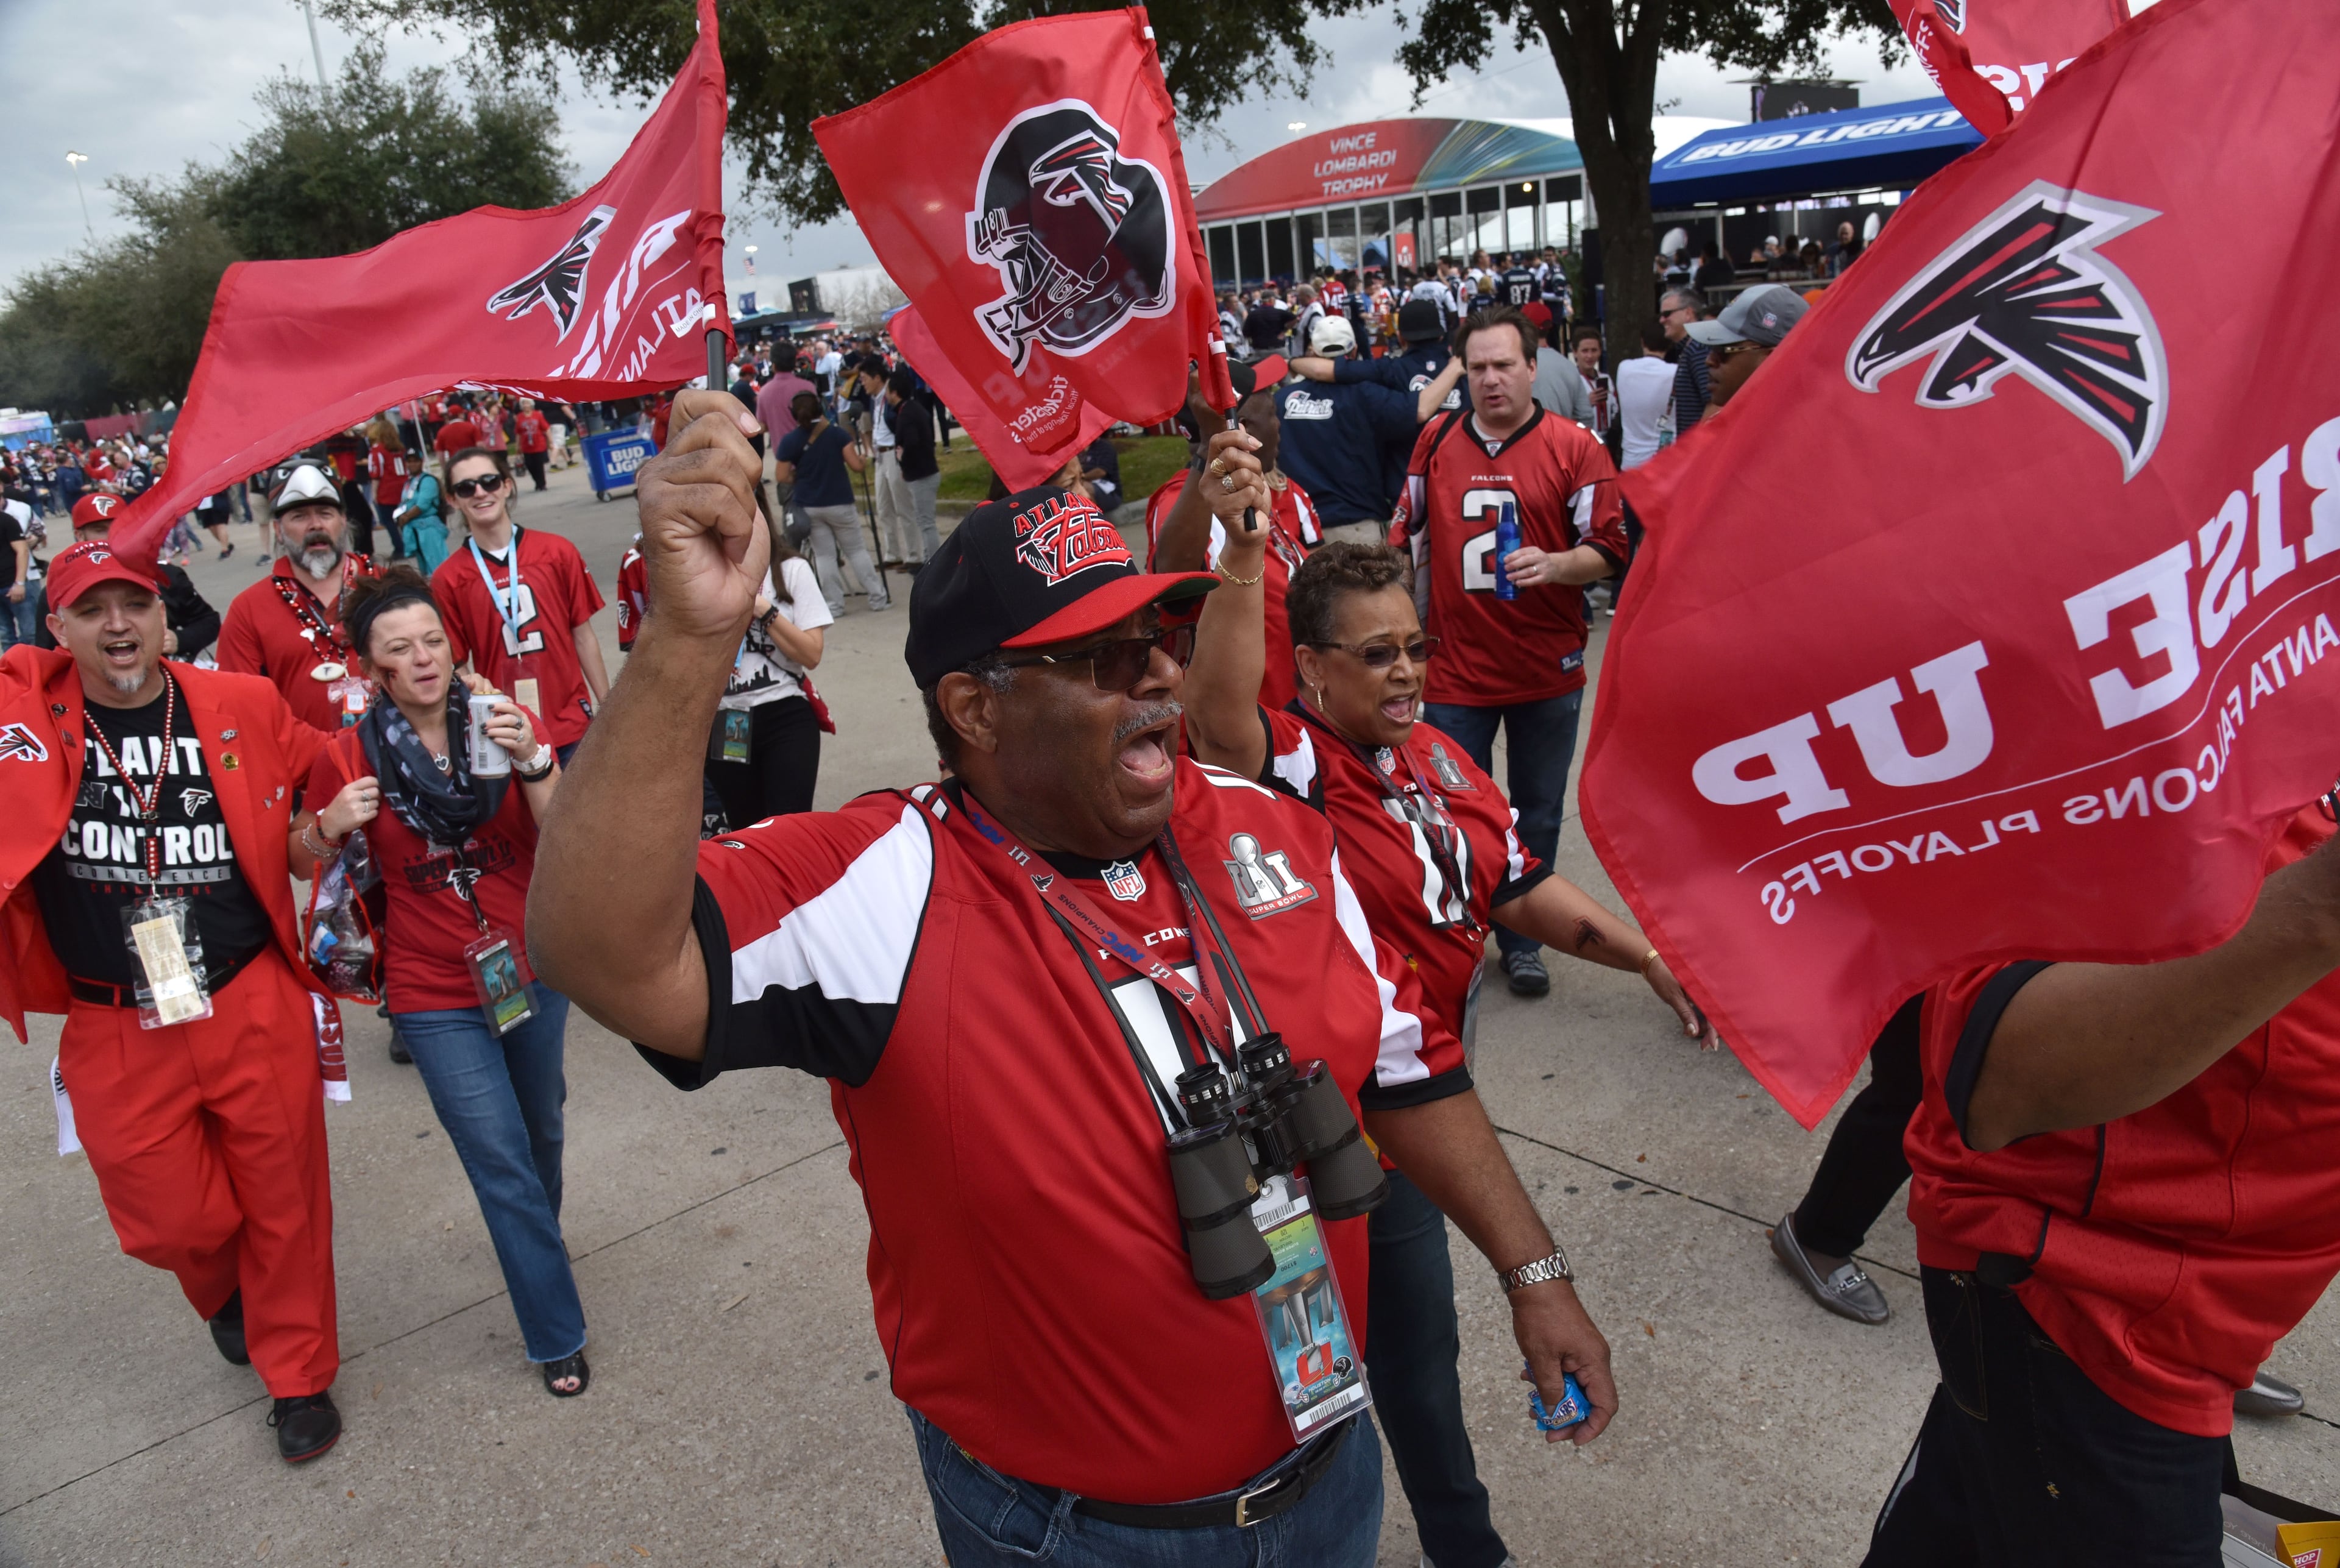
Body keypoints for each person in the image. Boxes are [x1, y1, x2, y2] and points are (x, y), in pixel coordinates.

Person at [527, 389, 1617, 1566]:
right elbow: (605, 953)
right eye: (1104, 657)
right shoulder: (886, 880)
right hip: (1076, 1536)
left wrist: (1535, 1269)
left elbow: (1411, 1066)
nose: (1156, 676)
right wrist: (688, 639)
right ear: (974, 708)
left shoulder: (1269, 829)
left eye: (1162, 637)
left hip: (1331, 1480)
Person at [1183, 533, 1710, 1568]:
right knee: (1302, 1380)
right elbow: (1218, 713)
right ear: (1315, 668)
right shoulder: (1286, 767)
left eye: (1415, 646)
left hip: (1412, 1137)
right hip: (1291, 1161)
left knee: (1422, 1369)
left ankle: (1470, 1549)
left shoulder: (1436, 756)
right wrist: (1244, 550)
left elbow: (1513, 882)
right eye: (1376, 654)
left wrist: (1644, 957)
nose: (1409, 671)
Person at [1862, 795, 2340, 1564]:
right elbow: (1995, 1079)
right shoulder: (2176, 712)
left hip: (2209, 1306)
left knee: (1963, 1520)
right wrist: (2322, 904)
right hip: (2093, 1311)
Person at [4, 540, 346, 1464]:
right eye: (92, 609)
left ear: (164, 616)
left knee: (286, 1197)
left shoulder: (240, 702)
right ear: (56, 626)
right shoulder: (22, 716)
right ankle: (225, 1289)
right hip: (115, 1017)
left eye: (135, 605)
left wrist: (334, 821)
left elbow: (322, 781)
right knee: (168, 1218)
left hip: (248, 993)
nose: (118, 624)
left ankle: (299, 1376)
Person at [288, 566, 592, 1399]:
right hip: (430, 991)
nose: (423, 658)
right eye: (399, 649)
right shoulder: (347, 752)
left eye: (432, 640)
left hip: (528, 962)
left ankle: (538, 1244)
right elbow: (299, 856)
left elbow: (562, 830)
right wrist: (325, 826)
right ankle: (555, 1333)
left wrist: (535, 760)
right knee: (498, 1160)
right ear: (373, 669)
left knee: (542, 1134)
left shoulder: (501, 719)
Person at [1389, 305, 1629, 1000]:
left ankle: (1527, 939)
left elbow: (1611, 550)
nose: (1491, 380)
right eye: (1478, 367)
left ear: (1533, 366)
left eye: (1505, 365)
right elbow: (1403, 538)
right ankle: (1459, 934)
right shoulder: (1436, 439)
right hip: (1456, 670)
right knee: (1447, 808)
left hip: (1545, 669)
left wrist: (1557, 565)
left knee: (1537, 810)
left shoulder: (1576, 446)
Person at [1149, 367, 1322, 711]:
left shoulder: (1256, 487)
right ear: (1240, 425)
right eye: (1271, 414)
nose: (1279, 426)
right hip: (1243, 728)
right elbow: (1171, 586)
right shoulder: (1189, 501)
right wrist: (1210, 452)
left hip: (1294, 710)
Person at [428, 449, 609, 765]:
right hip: (504, 732)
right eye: (466, 487)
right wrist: (479, 721)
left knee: (588, 814)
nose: (481, 492)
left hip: (572, 724)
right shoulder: (449, 579)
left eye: (489, 481)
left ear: (507, 486)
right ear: (453, 500)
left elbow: (584, 636)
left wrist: (608, 706)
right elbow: (459, 665)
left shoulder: (557, 552)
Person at [218, 464, 377, 733]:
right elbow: (239, 710)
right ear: (279, 530)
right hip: (305, 770)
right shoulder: (248, 610)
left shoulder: (387, 586)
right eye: (299, 516)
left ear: (343, 521)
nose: (315, 525)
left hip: (399, 764)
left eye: (326, 513)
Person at [703, 533, 832, 829]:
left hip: (784, 714)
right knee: (746, 831)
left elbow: (811, 654)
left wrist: (763, 610)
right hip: (730, 720)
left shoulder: (790, 570)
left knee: (789, 828)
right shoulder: (702, 572)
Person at [1274, 316, 1435, 547]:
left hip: (1298, 529)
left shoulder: (1281, 400)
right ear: (1355, 349)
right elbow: (1418, 412)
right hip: (1357, 528)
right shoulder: (1370, 395)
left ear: (1312, 351)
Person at [34, 494, 220, 662]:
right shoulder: (59, 590)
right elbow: (47, 655)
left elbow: (209, 621)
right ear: (80, 535)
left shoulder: (165, 575)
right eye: (100, 530)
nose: (110, 536)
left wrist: (181, 640)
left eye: (119, 527)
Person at [775, 391, 883, 616]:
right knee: (856, 551)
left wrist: (801, 478)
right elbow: (856, 466)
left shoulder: (790, 441)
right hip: (840, 501)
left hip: (810, 505)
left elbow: (782, 475)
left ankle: (834, 605)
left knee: (824, 556)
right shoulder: (837, 435)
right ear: (820, 409)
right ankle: (877, 597)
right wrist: (862, 460)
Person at [1686, 284, 1809, 411]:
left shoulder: (1795, 428)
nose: (1709, 360)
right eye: (1711, 349)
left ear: (1773, 360)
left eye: (1724, 351)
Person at [1615, 324, 1676, 470]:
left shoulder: (1624, 368)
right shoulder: (1675, 372)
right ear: (1670, 344)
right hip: (1666, 462)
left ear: (1642, 342)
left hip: (1632, 462)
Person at [1661, 287, 1711, 438]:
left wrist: (1696, 447)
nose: (1662, 320)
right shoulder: (1689, 349)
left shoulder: (1699, 348)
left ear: (1688, 313)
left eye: (1667, 314)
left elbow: (1713, 403)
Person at [392, 450, 450, 575]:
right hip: (415, 529)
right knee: (424, 569)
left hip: (429, 527)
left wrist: (406, 517)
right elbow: (405, 503)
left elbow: (423, 505)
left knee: (438, 565)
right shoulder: (409, 483)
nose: (412, 464)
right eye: (409, 461)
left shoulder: (428, 480)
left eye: (415, 461)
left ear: (421, 462)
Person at [366, 422, 409, 558]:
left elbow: (376, 473)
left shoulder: (377, 450)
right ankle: (409, 544)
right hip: (403, 487)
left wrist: (374, 494)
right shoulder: (400, 448)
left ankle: (399, 548)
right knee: (403, 519)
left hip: (387, 489)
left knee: (388, 521)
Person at [1572, 328, 1612, 447]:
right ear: (1575, 352)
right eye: (1585, 351)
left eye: (1594, 350)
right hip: (1583, 441)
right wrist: (1585, 404)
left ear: (1600, 352)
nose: (1590, 356)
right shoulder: (1571, 381)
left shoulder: (1606, 379)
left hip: (1606, 440)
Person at [514, 400, 553, 492]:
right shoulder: (519, 417)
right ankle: (537, 481)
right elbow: (518, 433)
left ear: (531, 405)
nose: (526, 406)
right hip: (526, 446)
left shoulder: (538, 415)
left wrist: (550, 441)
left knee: (539, 466)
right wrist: (517, 446)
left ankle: (542, 484)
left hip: (539, 444)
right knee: (530, 466)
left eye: (527, 404)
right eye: (524, 404)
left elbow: (546, 429)